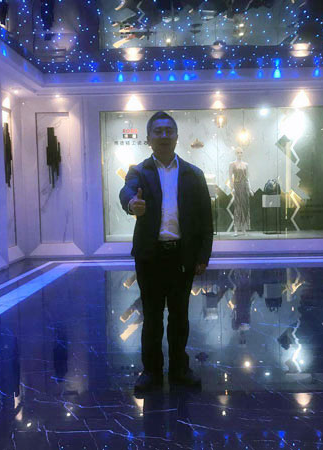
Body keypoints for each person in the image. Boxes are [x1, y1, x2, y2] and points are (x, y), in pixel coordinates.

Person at [119, 111, 214, 393]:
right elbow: (126, 192)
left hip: (181, 256)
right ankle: (151, 371)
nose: (163, 135)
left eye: (168, 131)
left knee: (179, 316)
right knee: (151, 316)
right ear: (148, 138)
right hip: (150, 256)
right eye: (157, 131)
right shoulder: (139, 172)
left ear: (176, 137)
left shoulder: (193, 174)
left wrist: (203, 256)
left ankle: (179, 369)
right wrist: (131, 204)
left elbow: (206, 219)